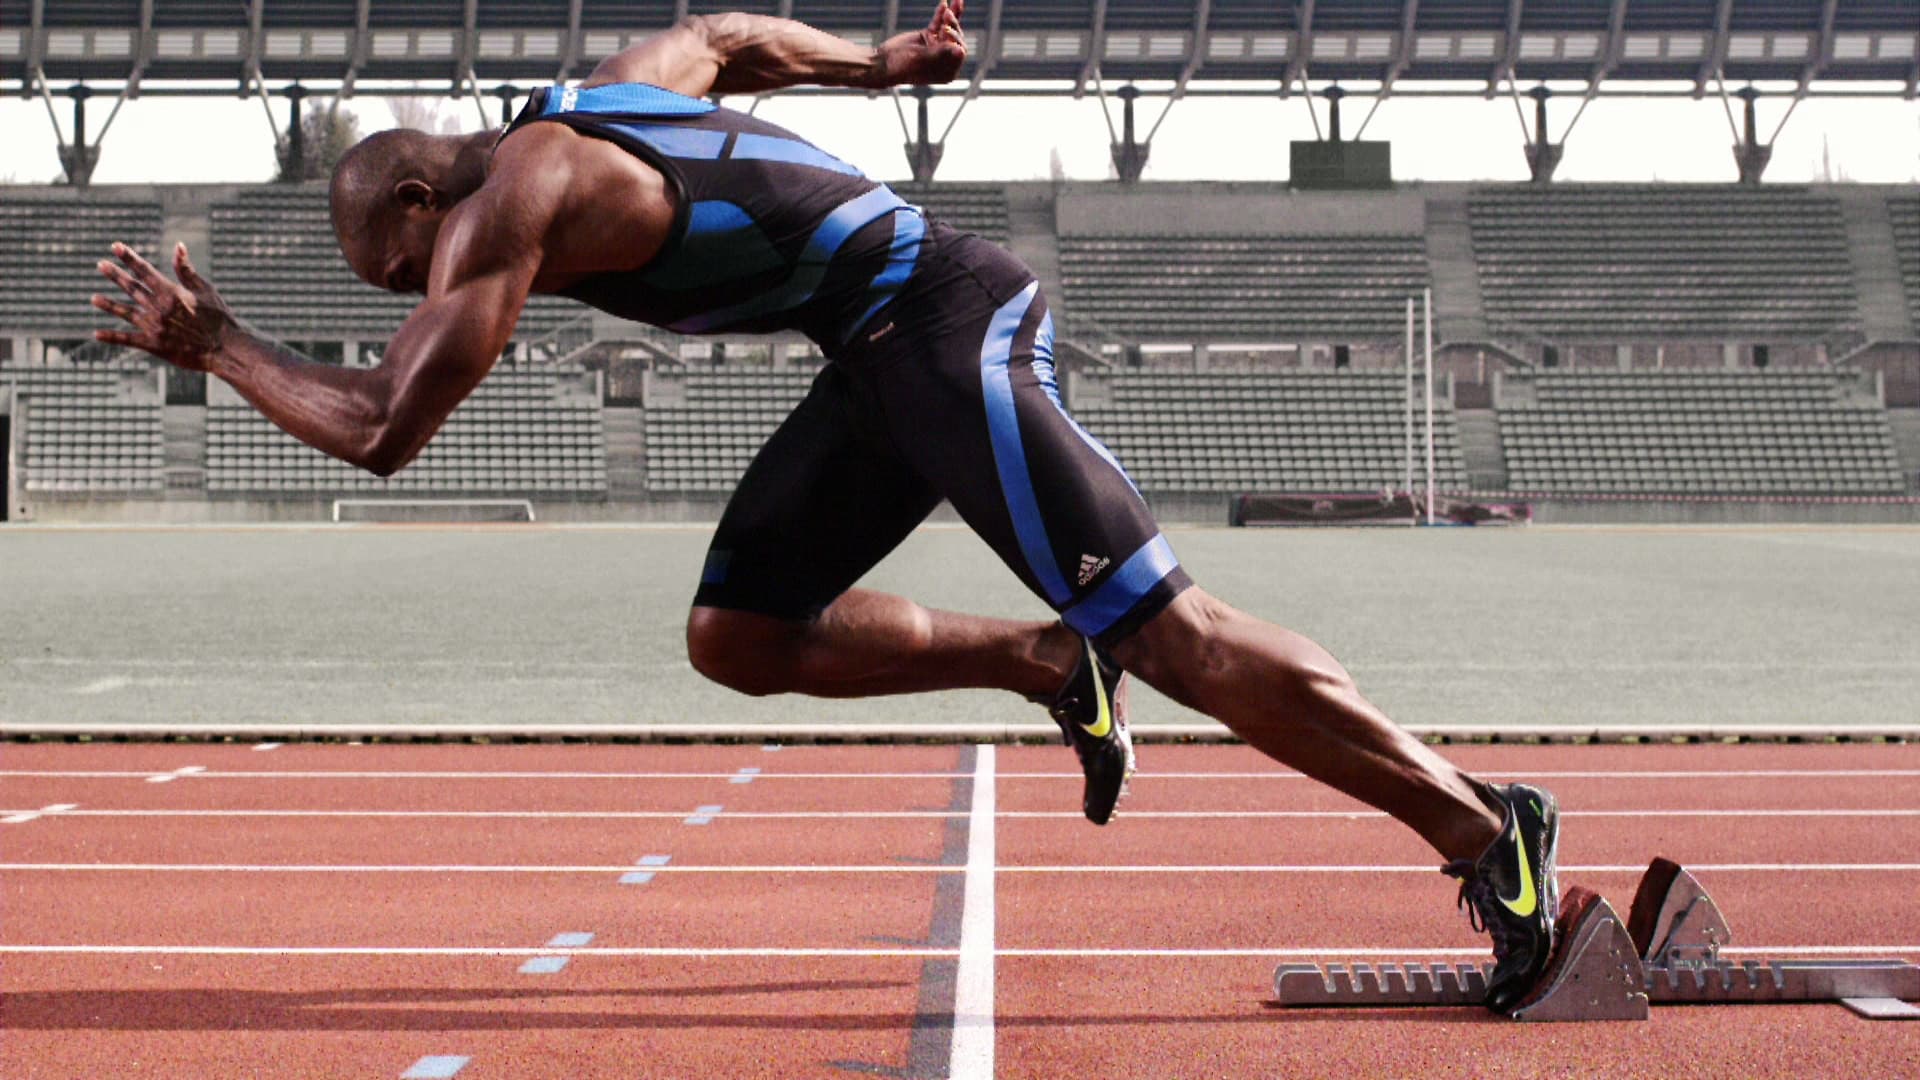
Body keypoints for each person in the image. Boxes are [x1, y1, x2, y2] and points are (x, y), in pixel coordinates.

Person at [91, 1, 1561, 1013]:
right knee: (739, 629)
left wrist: (217, 349)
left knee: (1176, 631)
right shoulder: (609, 92)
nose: (421, 299)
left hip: (941, 324)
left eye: (399, 276)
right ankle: (1048, 663)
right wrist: (875, 66)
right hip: (871, 358)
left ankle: (1483, 830)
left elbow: (387, 428)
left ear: (422, 200)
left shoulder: (510, 199)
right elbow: (726, 34)